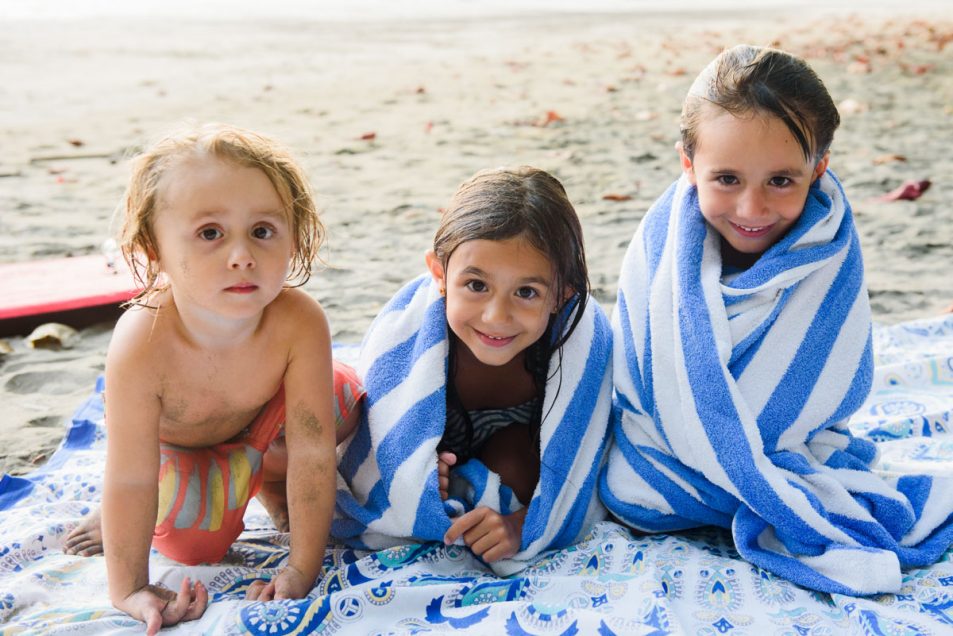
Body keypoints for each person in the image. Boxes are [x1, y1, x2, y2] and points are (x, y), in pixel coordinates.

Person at [599, 45, 953, 595]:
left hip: (790, 445)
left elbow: (829, 363)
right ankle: (737, 476)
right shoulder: (663, 244)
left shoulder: (828, 249)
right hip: (664, 447)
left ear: (818, 170)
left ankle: (744, 475)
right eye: (727, 180)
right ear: (689, 165)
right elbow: (646, 365)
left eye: (781, 181)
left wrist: (762, 445)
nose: (751, 209)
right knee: (629, 487)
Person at [61, 124, 363, 634]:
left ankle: (266, 478)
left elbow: (313, 451)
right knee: (195, 545)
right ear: (153, 251)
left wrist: (300, 568)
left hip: (262, 425)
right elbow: (129, 473)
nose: (241, 255)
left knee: (344, 400)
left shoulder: (299, 320)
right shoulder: (142, 338)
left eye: (263, 231)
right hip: (181, 452)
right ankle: (122, 518)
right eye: (210, 233)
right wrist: (129, 586)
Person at [332, 167, 612, 574]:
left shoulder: (578, 342)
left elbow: (585, 458)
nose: (496, 317)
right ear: (440, 275)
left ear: (561, 295)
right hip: (444, 433)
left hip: (521, 444)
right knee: (318, 403)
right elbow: (385, 439)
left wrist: (521, 524)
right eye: (476, 285)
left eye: (527, 292)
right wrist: (420, 480)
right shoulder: (409, 336)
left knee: (517, 462)